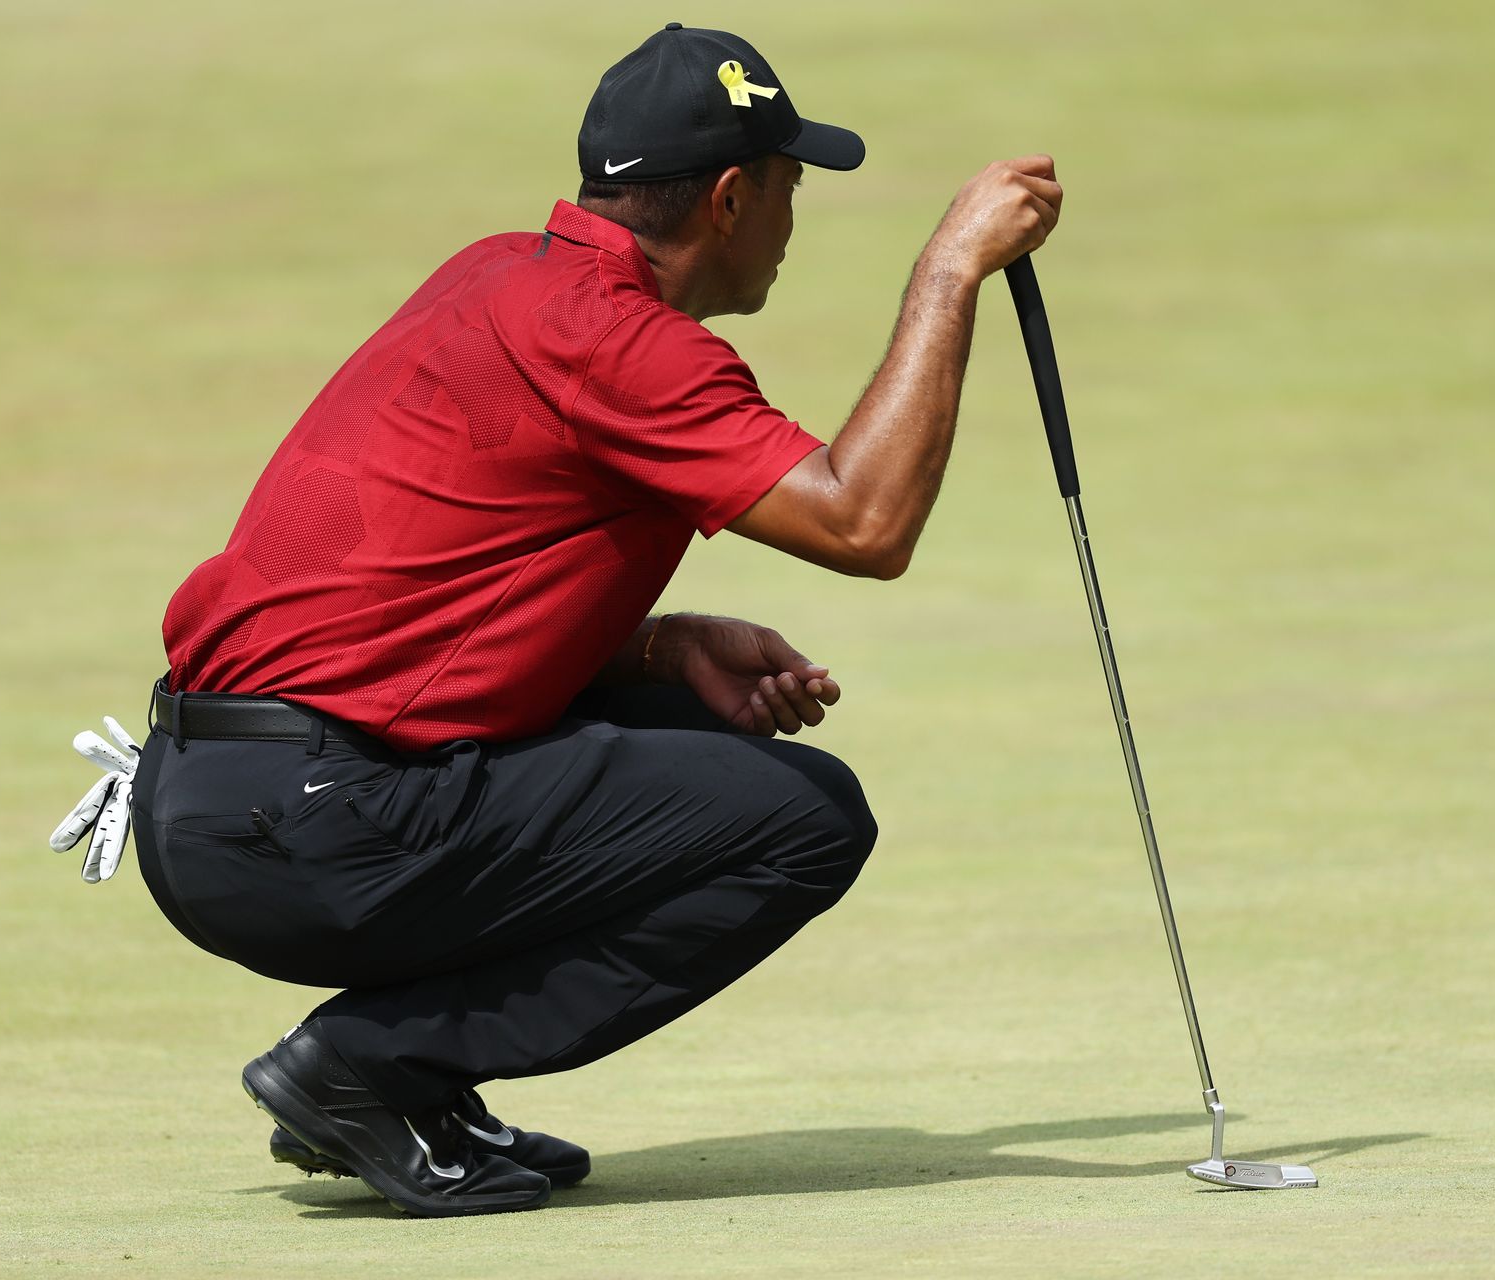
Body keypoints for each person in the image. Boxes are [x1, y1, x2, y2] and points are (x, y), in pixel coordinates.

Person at [61, 22, 1062, 1218]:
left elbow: (424, 588)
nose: (796, 217)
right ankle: (377, 1064)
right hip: (314, 823)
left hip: (219, 794)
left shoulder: (497, 274)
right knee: (806, 818)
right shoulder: (621, 341)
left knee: (676, 719)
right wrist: (949, 273)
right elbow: (865, 524)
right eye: (792, 185)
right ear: (734, 199)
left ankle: (407, 1078)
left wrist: (655, 645)